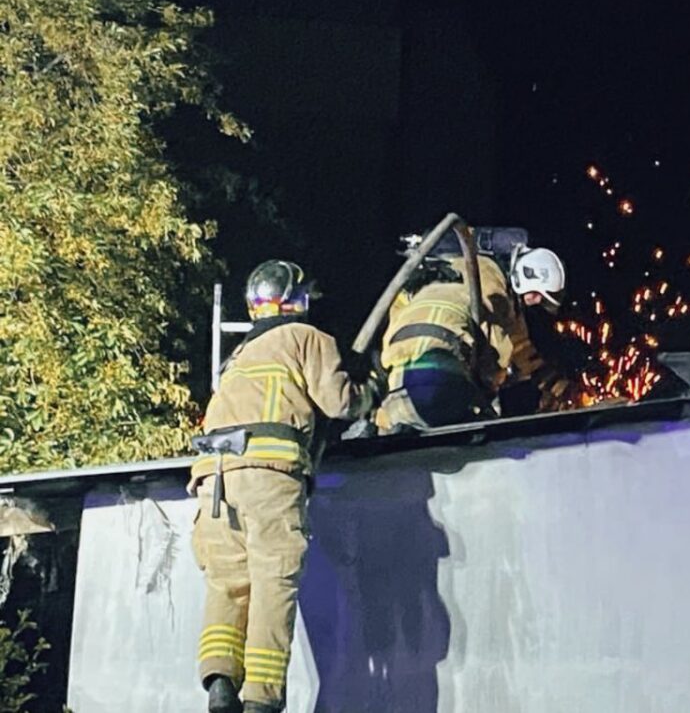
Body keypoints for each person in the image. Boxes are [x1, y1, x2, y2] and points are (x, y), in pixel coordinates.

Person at [189, 260, 373, 713]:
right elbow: (339, 402)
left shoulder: (237, 358)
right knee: (274, 580)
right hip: (267, 474)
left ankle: (220, 683)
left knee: (228, 582)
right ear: (296, 300)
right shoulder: (306, 338)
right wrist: (371, 386)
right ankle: (262, 700)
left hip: (212, 478)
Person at [375, 243, 570, 431]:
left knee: (397, 429)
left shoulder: (467, 272)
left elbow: (523, 351)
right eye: (537, 295)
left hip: (399, 370)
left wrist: (559, 387)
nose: (535, 302)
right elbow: (502, 353)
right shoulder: (492, 286)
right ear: (525, 276)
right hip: (438, 372)